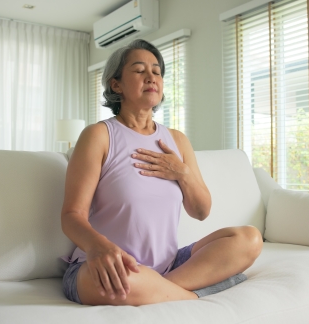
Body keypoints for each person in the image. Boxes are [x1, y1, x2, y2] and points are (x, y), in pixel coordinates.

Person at [60, 39, 262, 306]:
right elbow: (72, 216)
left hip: (169, 265)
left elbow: (201, 211)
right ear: (116, 84)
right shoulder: (99, 136)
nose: (151, 77)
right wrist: (98, 247)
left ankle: (158, 289)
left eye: (157, 71)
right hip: (109, 265)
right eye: (139, 70)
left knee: (249, 239)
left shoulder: (177, 140)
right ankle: (189, 295)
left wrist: (183, 173)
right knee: (125, 281)